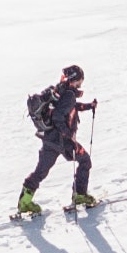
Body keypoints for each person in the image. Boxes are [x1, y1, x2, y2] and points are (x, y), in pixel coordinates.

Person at [17, 64, 100, 214]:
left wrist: (88, 106)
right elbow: (58, 116)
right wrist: (68, 134)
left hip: (50, 139)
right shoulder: (69, 94)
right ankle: (79, 195)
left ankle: (24, 202)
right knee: (85, 160)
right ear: (76, 80)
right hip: (63, 141)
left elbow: (69, 107)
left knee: (41, 171)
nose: (81, 83)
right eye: (81, 80)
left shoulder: (61, 90)